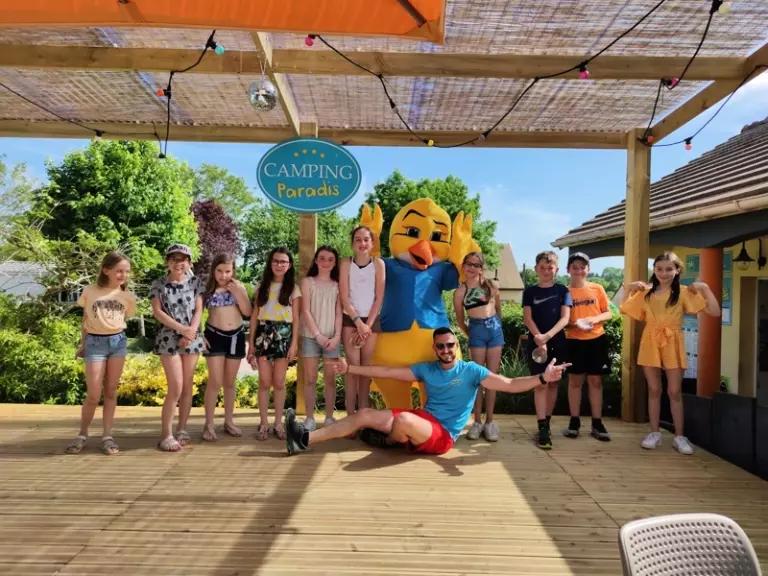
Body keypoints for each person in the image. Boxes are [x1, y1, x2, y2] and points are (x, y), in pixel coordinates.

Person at [284, 327, 571, 456]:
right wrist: (350, 369)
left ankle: (388, 441)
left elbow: (509, 384)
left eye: (450, 345)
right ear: (435, 348)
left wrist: (542, 378)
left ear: (457, 346)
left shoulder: (472, 371)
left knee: (403, 421)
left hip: (442, 436)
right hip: (422, 420)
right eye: (441, 346)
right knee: (364, 414)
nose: (446, 349)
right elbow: (387, 372)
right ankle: (303, 439)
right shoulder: (427, 369)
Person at [621, 252, 720, 455]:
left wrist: (705, 288)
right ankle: (654, 433)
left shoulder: (683, 292)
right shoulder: (646, 293)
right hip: (650, 341)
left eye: (668, 269)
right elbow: (624, 308)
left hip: (673, 340)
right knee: (654, 389)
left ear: (677, 270)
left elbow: (715, 311)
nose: (663, 273)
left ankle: (679, 436)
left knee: (674, 391)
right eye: (659, 269)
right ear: (654, 270)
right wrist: (628, 289)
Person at [67, 252, 136, 455]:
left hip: (117, 342)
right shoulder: (90, 291)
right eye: (119, 271)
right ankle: (82, 434)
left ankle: (107, 436)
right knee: (94, 394)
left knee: (111, 391)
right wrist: (83, 344)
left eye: (126, 271)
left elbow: (124, 318)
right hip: (94, 343)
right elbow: (85, 320)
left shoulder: (128, 296)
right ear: (106, 270)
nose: (123, 275)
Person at [150, 244, 205, 452]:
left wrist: (190, 333)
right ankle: (166, 434)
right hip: (168, 339)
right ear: (167, 261)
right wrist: (182, 330)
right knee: (176, 387)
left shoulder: (196, 282)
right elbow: (158, 312)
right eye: (173, 258)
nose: (178, 263)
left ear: (189, 262)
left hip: (192, 338)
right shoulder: (159, 284)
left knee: (188, 387)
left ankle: (182, 429)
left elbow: (199, 310)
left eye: (183, 259)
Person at [247, 247, 301, 441]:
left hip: (284, 335)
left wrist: (294, 345)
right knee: (264, 381)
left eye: (283, 262)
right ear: (270, 263)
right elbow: (254, 316)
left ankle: (278, 423)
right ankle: (263, 423)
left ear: (289, 265)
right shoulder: (261, 287)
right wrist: (251, 344)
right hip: (263, 335)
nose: (279, 265)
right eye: (276, 261)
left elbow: (296, 319)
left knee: (278, 382)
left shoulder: (293, 289)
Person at [522, 250, 571, 450]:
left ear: (556, 270)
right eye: (542, 267)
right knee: (540, 384)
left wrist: (547, 337)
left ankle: (547, 422)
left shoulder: (563, 291)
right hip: (536, 343)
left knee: (553, 384)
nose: (546, 271)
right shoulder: (530, 292)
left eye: (550, 268)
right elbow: (527, 318)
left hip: (557, 343)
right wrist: (539, 338)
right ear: (536, 269)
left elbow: (565, 319)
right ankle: (541, 426)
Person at [562, 253, 613, 442]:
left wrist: (594, 319)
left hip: (596, 340)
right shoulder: (564, 292)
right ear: (568, 270)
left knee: (595, 382)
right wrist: (576, 324)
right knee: (575, 382)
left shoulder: (597, 288)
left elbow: (608, 313)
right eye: (574, 267)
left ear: (588, 269)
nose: (579, 271)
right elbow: (563, 321)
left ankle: (597, 423)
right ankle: (574, 421)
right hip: (574, 341)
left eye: (582, 267)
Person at [453, 252, 504, 442]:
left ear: (481, 268)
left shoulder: (490, 286)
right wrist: (473, 334)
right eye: (469, 264)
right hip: (476, 331)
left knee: (492, 377)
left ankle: (489, 422)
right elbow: (460, 321)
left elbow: (498, 310)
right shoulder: (460, 291)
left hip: (495, 331)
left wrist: (496, 328)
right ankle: (476, 422)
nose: (472, 268)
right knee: (478, 378)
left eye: (476, 265)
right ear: (463, 266)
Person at [201, 253, 252, 442]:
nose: (223, 275)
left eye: (228, 271)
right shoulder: (206, 290)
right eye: (220, 271)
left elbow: (247, 312)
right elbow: (195, 313)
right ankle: (209, 424)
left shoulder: (239, 287)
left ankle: (228, 421)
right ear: (213, 271)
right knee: (215, 381)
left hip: (236, 337)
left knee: (230, 382)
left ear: (233, 271)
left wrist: (239, 293)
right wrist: (199, 336)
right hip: (214, 336)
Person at [338, 225, 385, 414]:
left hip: (371, 320)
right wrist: (358, 323)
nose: (362, 243)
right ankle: (350, 414)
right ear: (352, 243)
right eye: (358, 239)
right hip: (350, 319)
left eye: (366, 239)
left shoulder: (379, 264)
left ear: (372, 243)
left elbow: (379, 297)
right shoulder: (346, 263)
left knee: (365, 368)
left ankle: (363, 412)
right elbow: (344, 297)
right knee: (351, 367)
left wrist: (367, 325)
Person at [300, 245, 343, 430]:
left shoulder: (338, 285)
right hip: (310, 338)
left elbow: (339, 313)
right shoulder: (307, 282)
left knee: (330, 379)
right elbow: (305, 311)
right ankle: (309, 419)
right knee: (310, 379)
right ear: (316, 260)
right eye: (322, 258)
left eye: (330, 259)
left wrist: (337, 336)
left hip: (332, 339)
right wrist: (317, 335)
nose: (326, 262)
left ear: (335, 263)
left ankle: (329, 418)